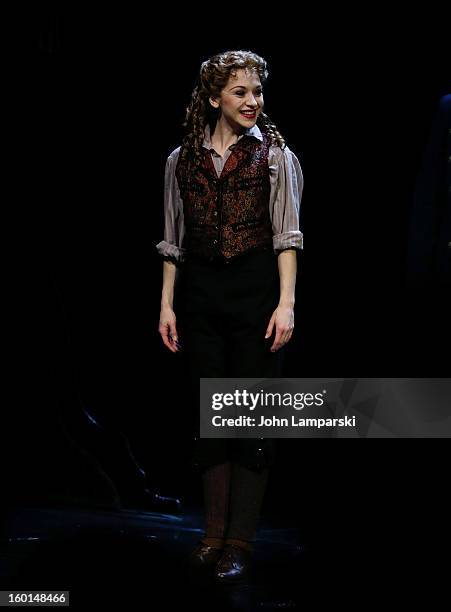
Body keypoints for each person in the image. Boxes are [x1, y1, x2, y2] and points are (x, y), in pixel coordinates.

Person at [156, 50, 304, 582]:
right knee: (210, 421)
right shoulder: (182, 159)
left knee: (251, 420)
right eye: (241, 92)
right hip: (201, 300)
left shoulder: (274, 157)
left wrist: (286, 303)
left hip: (256, 298)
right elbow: (172, 240)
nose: (252, 102)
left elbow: (288, 236)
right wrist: (167, 303)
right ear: (215, 97)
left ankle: (240, 539)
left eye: (257, 92)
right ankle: (212, 535)